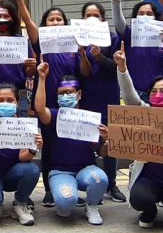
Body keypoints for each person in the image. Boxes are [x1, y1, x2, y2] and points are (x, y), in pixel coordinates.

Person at [115, 49, 163, 229]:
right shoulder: (145, 114)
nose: (158, 95)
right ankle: (149, 211)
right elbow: (130, 98)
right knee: (140, 198)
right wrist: (122, 68)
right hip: (149, 180)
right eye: (154, 91)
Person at [32, 63, 110, 224]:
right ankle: (64, 199)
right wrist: (41, 78)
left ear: (78, 94)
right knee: (66, 203)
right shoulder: (54, 115)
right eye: (61, 93)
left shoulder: (90, 119)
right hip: (60, 171)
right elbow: (40, 109)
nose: (65, 96)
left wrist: (106, 139)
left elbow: (102, 153)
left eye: (69, 92)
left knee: (100, 179)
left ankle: (92, 205)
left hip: (85, 169)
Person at [79, 0, 128, 203]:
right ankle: (93, 183)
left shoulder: (113, 38)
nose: (92, 19)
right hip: (88, 97)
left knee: (111, 142)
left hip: (109, 96)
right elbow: (82, 72)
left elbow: (116, 68)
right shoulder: (78, 40)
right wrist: (83, 54)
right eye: (88, 15)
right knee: (88, 141)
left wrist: (99, 57)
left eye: (96, 15)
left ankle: (112, 184)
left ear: (102, 19)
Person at [0, 81, 41, 224]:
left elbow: (24, 157)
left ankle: (20, 204)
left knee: (32, 169)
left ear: (17, 103)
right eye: (1, 100)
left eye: (10, 100)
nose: (5, 103)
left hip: (12, 173)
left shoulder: (24, 124)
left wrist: (33, 148)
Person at [110, 0, 163, 91]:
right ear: (135, 17)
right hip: (134, 94)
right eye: (141, 13)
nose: (145, 16)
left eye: (148, 13)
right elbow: (118, 22)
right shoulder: (129, 35)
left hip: (157, 95)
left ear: (155, 16)